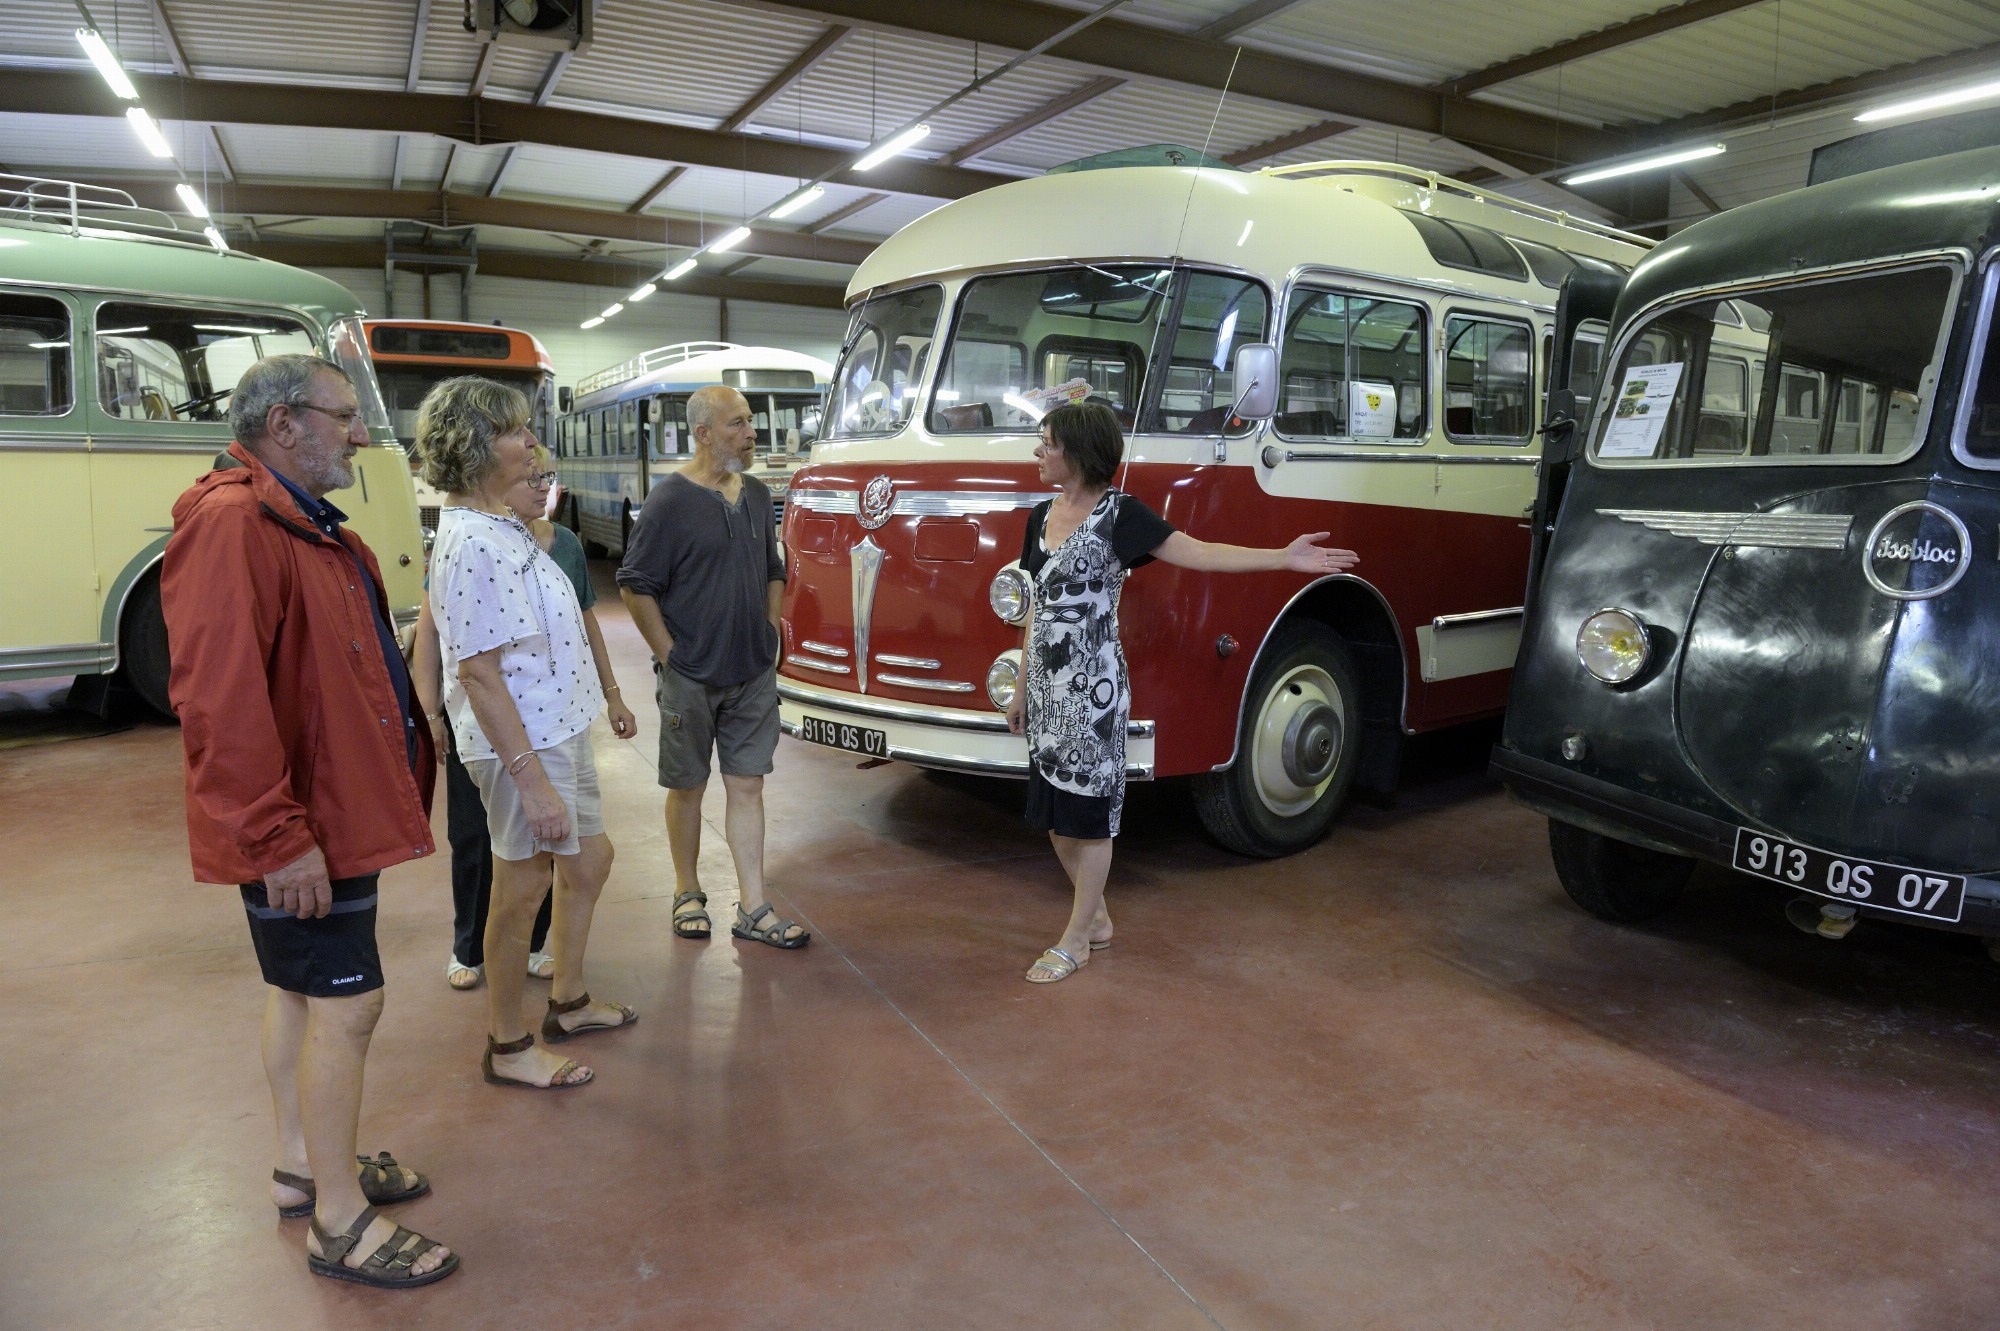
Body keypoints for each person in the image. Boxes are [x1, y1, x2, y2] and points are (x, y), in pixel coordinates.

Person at [161, 353, 458, 1288]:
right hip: (302, 825)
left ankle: (302, 1164)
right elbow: (219, 698)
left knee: (298, 990)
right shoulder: (232, 525)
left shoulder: (299, 524)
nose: (363, 436)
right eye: (346, 417)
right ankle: (338, 1218)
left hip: (326, 810)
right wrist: (278, 833)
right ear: (284, 423)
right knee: (348, 1000)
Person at [1005, 400, 1359, 984]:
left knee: (1089, 815)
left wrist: (1284, 558)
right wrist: (1020, 687)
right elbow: (1035, 607)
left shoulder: (1122, 516)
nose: (1038, 453)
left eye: (1047, 442)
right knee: (1053, 814)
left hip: (1092, 694)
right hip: (1044, 686)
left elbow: (1200, 554)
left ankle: (1078, 936)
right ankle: (1095, 919)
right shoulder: (1039, 515)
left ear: (1077, 452)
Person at [419, 376, 635, 1090]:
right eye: (517, 433)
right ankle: (507, 1045)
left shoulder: (500, 525)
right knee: (519, 891)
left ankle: (566, 1000)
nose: (532, 443)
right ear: (478, 447)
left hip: (555, 729)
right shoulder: (475, 542)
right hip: (525, 744)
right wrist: (531, 782)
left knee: (590, 859)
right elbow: (478, 674)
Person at [618, 384, 808, 949]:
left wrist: (770, 628)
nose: (752, 434)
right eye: (738, 424)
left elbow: (774, 567)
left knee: (747, 785)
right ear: (703, 433)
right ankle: (686, 890)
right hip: (691, 674)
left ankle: (753, 905)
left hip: (751, 670)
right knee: (690, 786)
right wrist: (670, 655)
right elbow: (635, 585)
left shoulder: (752, 493)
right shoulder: (669, 501)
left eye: (751, 423)